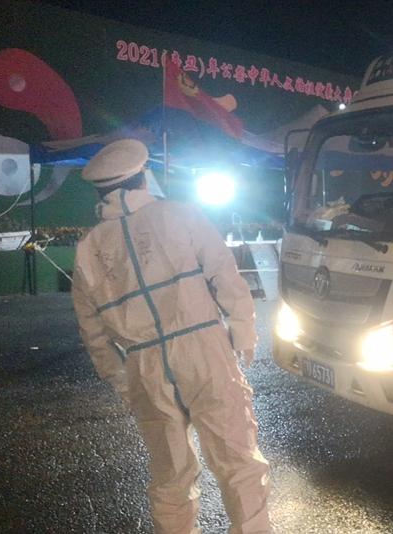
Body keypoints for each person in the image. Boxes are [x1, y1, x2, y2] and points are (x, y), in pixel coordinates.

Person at [71, 139, 272, 533]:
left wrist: (122, 379)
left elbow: (92, 331)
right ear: (143, 177)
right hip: (203, 350)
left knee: (170, 475)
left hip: (143, 365)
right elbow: (224, 273)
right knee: (238, 462)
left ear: (100, 192)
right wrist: (243, 330)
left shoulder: (87, 249)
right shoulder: (180, 214)